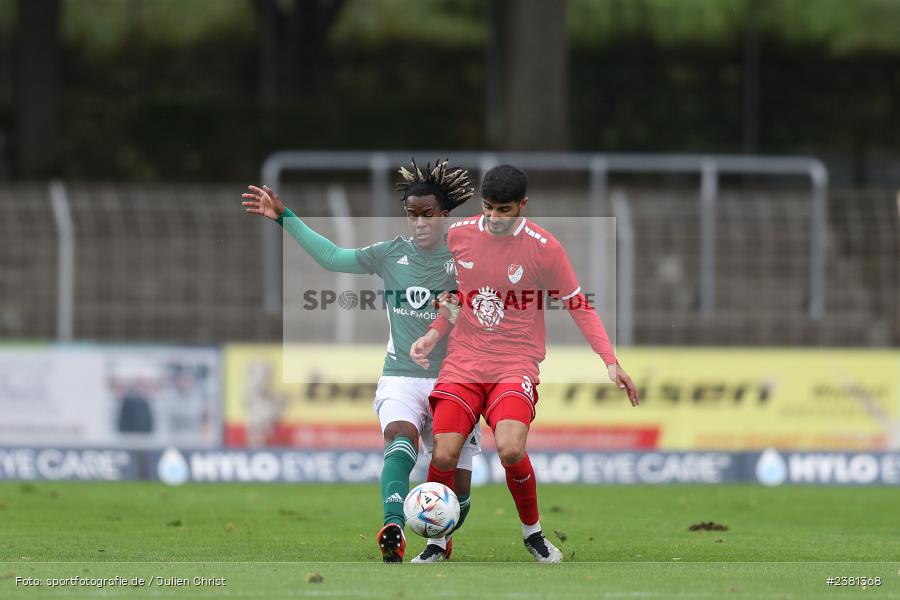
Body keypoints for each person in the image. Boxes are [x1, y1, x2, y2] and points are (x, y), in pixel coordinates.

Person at [242, 159, 480, 563]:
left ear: (445, 215)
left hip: (455, 379)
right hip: (401, 375)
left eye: (428, 215)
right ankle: (393, 526)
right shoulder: (391, 253)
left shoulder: (467, 256)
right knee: (399, 438)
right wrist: (285, 217)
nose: (419, 223)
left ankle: (443, 531)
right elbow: (334, 257)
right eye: (412, 214)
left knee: (456, 484)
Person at [410, 164, 639, 563]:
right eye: (488, 209)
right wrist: (432, 334)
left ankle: (533, 535)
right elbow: (452, 298)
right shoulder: (460, 236)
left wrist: (610, 360)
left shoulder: (544, 247)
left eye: (504, 210)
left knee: (510, 448)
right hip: (463, 363)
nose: (495, 218)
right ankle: (436, 542)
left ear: (523, 205)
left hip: (514, 365)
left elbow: (578, 305)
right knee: (444, 454)